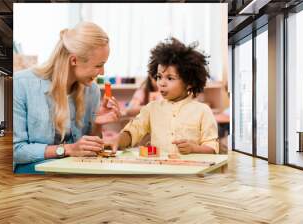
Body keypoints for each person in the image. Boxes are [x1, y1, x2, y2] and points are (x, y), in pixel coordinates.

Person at [13, 22, 121, 173]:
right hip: (34, 173)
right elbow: (16, 151)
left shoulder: (92, 91)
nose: (102, 72)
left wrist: (97, 124)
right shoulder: (21, 84)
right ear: (74, 60)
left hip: (74, 173)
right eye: (98, 65)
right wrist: (68, 149)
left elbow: (88, 150)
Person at [113, 37, 219, 156]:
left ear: (189, 83)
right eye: (159, 77)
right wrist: (117, 140)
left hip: (192, 172)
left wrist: (194, 148)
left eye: (170, 78)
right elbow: (133, 132)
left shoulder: (202, 111)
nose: (161, 83)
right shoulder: (151, 108)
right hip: (158, 171)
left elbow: (212, 148)